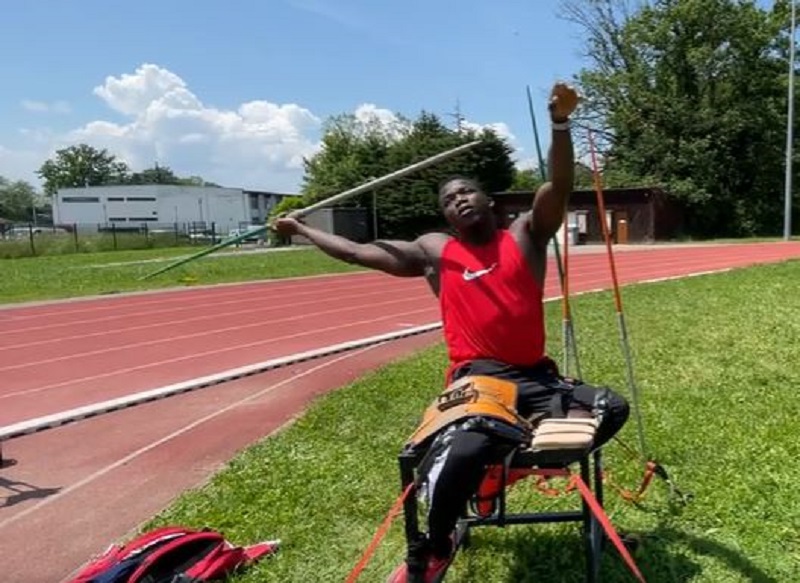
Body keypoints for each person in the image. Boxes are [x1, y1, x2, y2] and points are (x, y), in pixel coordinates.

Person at [272, 82, 630, 583]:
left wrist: (560, 124)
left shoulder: (527, 234)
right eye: (449, 198)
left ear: (489, 200)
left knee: (610, 407)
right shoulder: (436, 253)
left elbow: (560, 186)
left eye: (466, 191)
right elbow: (358, 252)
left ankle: (513, 463)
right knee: (462, 449)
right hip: (478, 380)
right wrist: (303, 229)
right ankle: (436, 544)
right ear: (444, 215)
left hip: (536, 378)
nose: (459, 199)